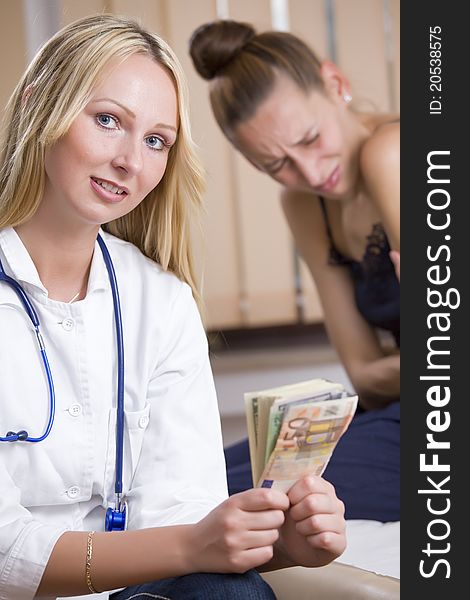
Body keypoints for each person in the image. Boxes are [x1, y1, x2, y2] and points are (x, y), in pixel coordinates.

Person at [0, 14, 347, 600]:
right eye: (109, 121)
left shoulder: (160, 300)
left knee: (231, 591)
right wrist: (193, 546)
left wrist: (278, 543)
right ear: (40, 105)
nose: (132, 163)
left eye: (156, 140)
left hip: (132, 590)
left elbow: (183, 506)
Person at [189, 20, 400, 522]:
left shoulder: (392, 153)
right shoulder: (306, 205)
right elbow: (364, 374)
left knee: (239, 495)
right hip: (400, 403)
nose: (308, 172)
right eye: (275, 163)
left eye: (309, 137)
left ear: (336, 84)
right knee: (194, 475)